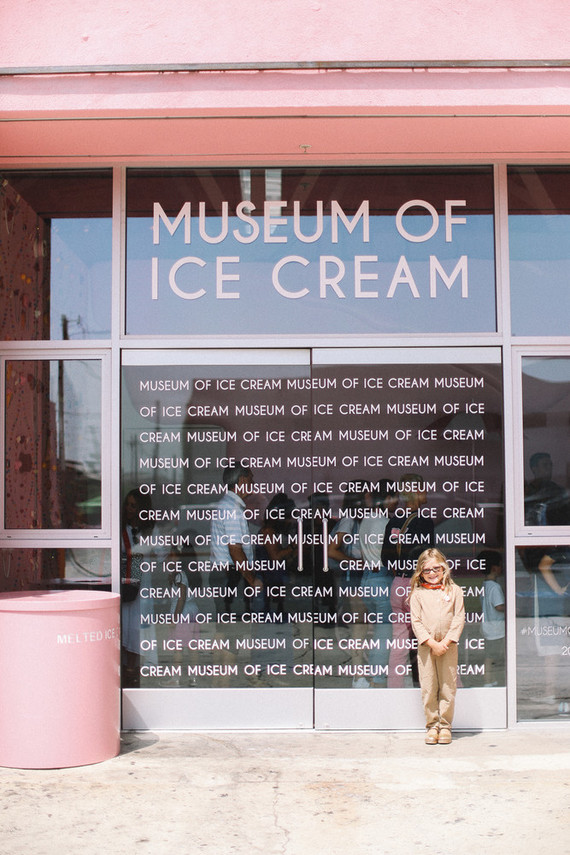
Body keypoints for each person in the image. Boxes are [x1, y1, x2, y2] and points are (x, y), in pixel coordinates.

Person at [381, 475, 435, 687]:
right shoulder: (423, 521)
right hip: (417, 586)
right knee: (428, 640)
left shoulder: (393, 521)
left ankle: (393, 690)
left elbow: (385, 557)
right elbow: (428, 559)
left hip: (397, 584)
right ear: (416, 492)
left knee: (399, 642)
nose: (426, 492)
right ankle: (430, 688)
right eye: (423, 488)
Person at [409, 548, 465, 744]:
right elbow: (415, 622)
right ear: (420, 572)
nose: (432, 573)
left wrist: (446, 642)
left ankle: (445, 725)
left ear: (444, 568)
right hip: (427, 646)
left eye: (436, 569)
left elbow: (459, 618)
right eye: (427, 571)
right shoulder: (417, 593)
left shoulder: (454, 591)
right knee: (429, 685)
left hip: (448, 646)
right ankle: (432, 725)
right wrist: (432, 643)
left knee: (448, 686)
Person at [478, 549, 505, 686]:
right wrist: (511, 608)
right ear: (495, 568)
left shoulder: (485, 585)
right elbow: (499, 606)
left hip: (487, 627)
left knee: (490, 655)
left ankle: (490, 680)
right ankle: (488, 681)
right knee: (491, 656)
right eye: (501, 565)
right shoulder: (495, 587)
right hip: (495, 628)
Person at [524, 452, 569, 526]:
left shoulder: (559, 491)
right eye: (545, 465)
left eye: (550, 465)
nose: (549, 468)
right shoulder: (527, 492)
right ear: (534, 469)